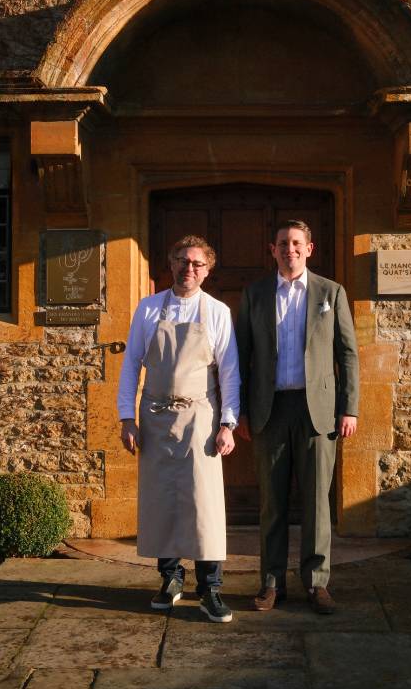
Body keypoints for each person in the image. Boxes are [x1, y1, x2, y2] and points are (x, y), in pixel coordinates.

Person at [236, 220, 359, 614]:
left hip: (317, 412)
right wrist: (239, 411)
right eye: (282, 243)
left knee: (317, 503)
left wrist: (349, 407)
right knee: (271, 503)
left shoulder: (330, 292)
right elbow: (240, 357)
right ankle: (271, 583)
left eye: (295, 243)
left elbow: (347, 354)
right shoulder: (255, 294)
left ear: (309, 248)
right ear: (272, 250)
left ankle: (316, 582)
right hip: (269, 410)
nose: (289, 249)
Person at [117, 235, 239, 623]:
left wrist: (228, 423)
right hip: (154, 416)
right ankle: (170, 578)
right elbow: (131, 364)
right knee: (162, 500)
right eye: (183, 261)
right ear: (171, 264)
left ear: (208, 270)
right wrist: (127, 418)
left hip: (200, 416)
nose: (189, 269)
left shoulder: (217, 311)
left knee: (203, 502)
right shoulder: (149, 308)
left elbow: (229, 371)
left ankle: (210, 587)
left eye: (197, 264)